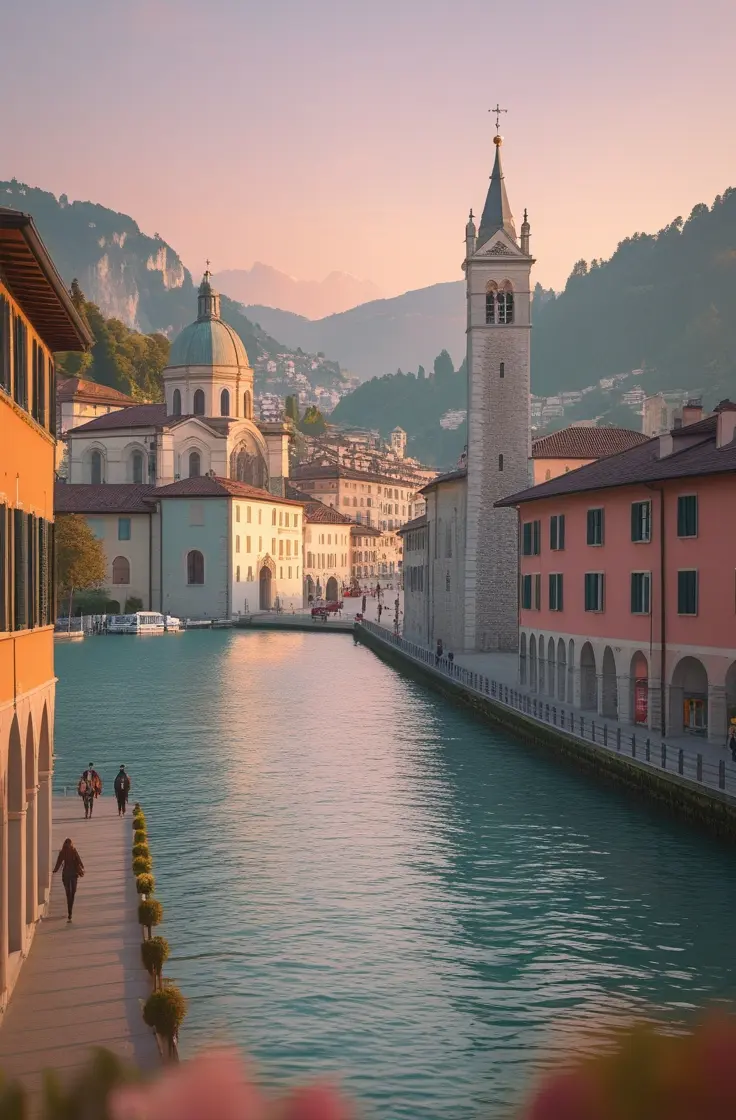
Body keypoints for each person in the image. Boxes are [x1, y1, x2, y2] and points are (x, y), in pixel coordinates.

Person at [54, 837, 84, 922]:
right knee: (71, 893)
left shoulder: (71, 851)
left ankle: (70, 911)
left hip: (69, 874)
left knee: (70, 893)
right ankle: (70, 912)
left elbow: (78, 860)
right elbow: (59, 862)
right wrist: (82, 867)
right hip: (71, 874)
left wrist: (55, 870)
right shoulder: (65, 852)